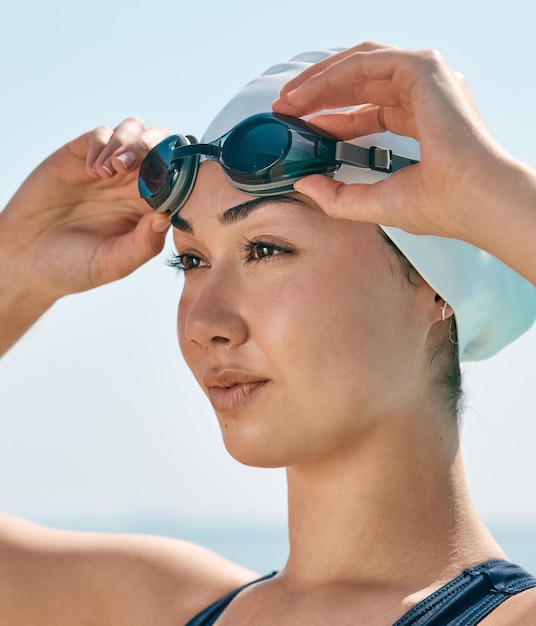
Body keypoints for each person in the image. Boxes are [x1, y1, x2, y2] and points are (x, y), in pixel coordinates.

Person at [0, 42, 535, 625]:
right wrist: (17, 268)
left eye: (265, 249)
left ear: (434, 282)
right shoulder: (158, 607)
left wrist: (483, 189)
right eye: (192, 260)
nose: (205, 323)